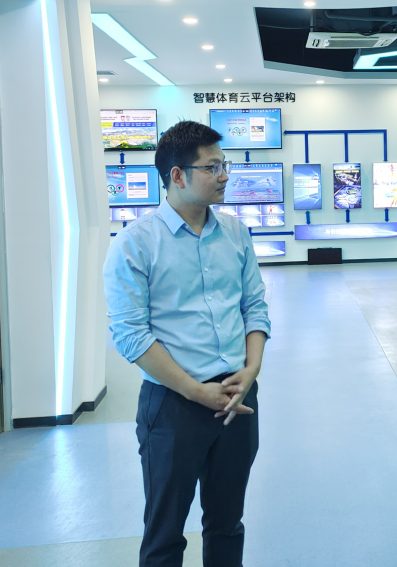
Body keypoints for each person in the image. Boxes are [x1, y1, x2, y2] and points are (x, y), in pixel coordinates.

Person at [103, 120, 270, 566]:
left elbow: (254, 306)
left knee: (227, 524)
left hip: (238, 398)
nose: (224, 175)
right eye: (212, 167)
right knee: (164, 535)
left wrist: (251, 371)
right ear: (177, 175)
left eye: (224, 165)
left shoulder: (235, 233)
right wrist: (196, 391)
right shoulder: (135, 244)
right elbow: (131, 335)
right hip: (173, 405)